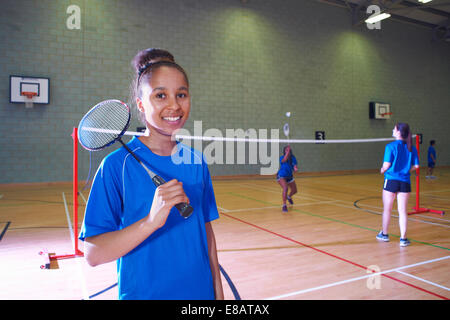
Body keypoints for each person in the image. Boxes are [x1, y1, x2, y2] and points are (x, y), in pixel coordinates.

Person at [79, 48, 224, 300]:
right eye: (160, 95)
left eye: (181, 94)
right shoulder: (116, 166)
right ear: (141, 104)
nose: (174, 105)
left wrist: (218, 294)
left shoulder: (196, 161)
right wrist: (151, 222)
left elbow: (207, 237)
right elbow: (93, 254)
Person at [377, 123, 419, 247]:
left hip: (391, 180)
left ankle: (384, 234)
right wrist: (405, 171)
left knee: (387, 210)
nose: (392, 130)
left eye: (394, 129)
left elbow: (386, 165)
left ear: (399, 132)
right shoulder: (412, 148)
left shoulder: (390, 146)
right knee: (403, 211)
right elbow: (416, 166)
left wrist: (382, 170)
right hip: (405, 182)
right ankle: (403, 239)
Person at [277, 145, 298, 212]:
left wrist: (295, 168)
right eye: (286, 150)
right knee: (285, 188)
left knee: (294, 190)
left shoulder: (293, 158)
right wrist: (287, 153)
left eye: (288, 150)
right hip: (281, 176)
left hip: (289, 176)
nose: (288, 151)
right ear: (284, 151)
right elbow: (284, 160)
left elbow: (294, 165)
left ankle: (288, 197)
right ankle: (284, 205)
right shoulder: (282, 157)